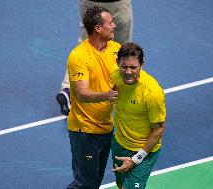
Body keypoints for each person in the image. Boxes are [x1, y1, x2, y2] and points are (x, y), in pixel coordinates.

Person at [66, 6, 121, 189]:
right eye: (110, 23)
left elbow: (125, 78)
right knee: (84, 184)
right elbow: (82, 94)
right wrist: (108, 95)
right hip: (85, 130)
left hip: (106, 127)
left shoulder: (116, 49)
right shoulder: (79, 56)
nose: (114, 25)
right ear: (98, 28)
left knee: (94, 182)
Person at [56, 0, 133, 116]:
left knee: (87, 42)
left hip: (88, 2)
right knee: (122, 47)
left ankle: (68, 89)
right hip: (117, 4)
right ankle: (126, 90)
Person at [110, 42, 166, 189]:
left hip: (143, 150)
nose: (128, 72)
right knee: (121, 184)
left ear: (142, 64)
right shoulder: (115, 75)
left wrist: (136, 159)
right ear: (118, 64)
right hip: (120, 143)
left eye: (133, 67)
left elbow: (158, 130)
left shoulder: (152, 94)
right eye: (124, 67)